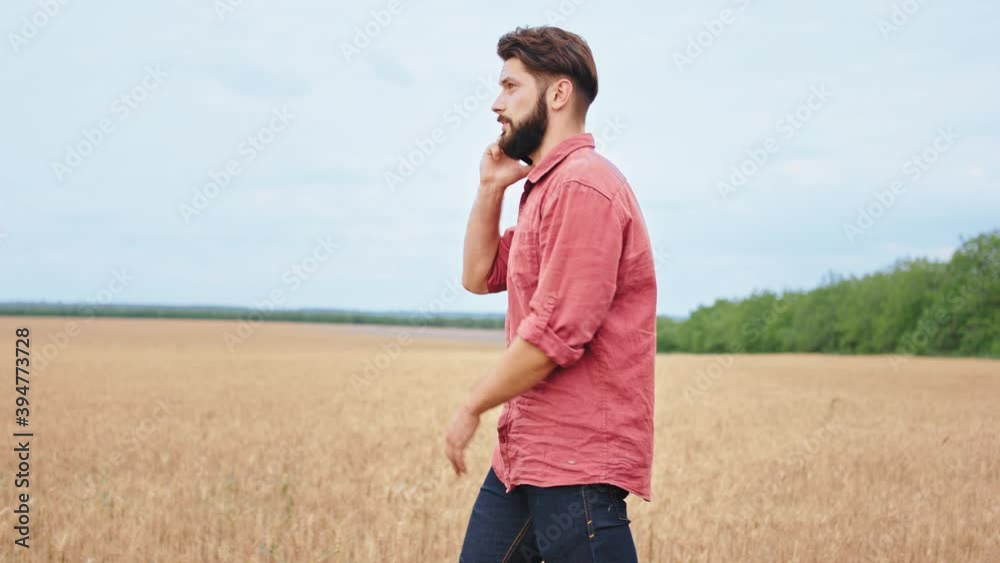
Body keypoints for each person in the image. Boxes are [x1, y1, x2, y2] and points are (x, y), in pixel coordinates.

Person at [446, 25, 657, 562]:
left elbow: (555, 335)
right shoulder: (547, 189)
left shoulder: (583, 187)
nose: (496, 104)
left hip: (577, 463)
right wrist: (490, 187)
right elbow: (479, 274)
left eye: (511, 86)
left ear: (559, 93)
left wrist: (472, 404)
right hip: (523, 459)